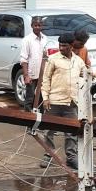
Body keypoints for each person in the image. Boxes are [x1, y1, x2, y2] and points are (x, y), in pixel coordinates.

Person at [41, 33, 84, 170]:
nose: (61, 48)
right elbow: (46, 79)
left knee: (71, 133)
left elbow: (88, 75)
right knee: (49, 131)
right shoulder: (53, 59)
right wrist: (45, 98)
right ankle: (48, 156)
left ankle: (71, 158)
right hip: (54, 101)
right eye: (59, 45)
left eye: (64, 46)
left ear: (71, 46)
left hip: (71, 103)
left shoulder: (78, 61)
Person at [20, 16, 47, 111]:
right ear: (32, 26)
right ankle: (28, 121)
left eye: (39, 25)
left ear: (42, 26)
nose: (37, 27)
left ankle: (39, 120)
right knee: (30, 99)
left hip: (43, 74)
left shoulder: (45, 38)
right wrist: (26, 75)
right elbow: (23, 59)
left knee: (41, 98)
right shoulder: (27, 40)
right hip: (31, 74)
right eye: (35, 25)